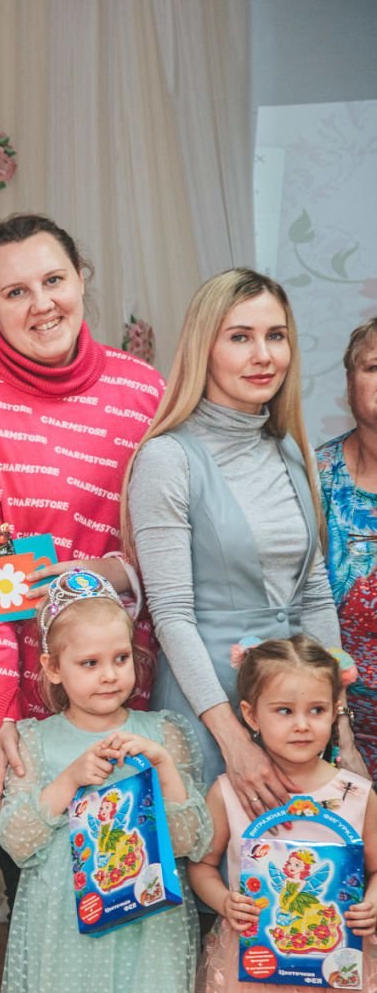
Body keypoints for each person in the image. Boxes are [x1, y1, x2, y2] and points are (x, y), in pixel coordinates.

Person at [0, 213, 162, 868]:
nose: (42, 304)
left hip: (135, 705)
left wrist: (111, 570)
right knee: (43, 907)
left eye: (54, 280)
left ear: (81, 279)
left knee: (139, 897)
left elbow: (176, 546)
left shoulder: (145, 391)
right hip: (25, 726)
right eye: (15, 292)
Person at [125, 269, 353, 819]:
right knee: (212, 868)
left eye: (276, 336)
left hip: (294, 718)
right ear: (204, 348)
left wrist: (340, 729)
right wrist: (233, 739)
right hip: (206, 714)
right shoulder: (167, 458)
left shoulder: (292, 451)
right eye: (240, 337)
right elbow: (172, 615)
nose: (263, 356)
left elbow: (314, 597)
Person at [0, 572, 211, 993]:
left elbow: (192, 840)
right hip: (71, 934)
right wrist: (69, 779)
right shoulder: (33, 741)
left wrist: (163, 766)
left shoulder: (164, 732)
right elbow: (15, 841)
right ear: (53, 668)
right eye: (89, 663)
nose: (109, 675)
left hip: (150, 934)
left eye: (120, 658)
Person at [188, 636, 377, 993]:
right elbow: (202, 866)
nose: (302, 725)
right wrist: (223, 900)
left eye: (316, 710)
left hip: (337, 972)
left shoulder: (356, 794)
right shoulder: (229, 792)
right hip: (252, 972)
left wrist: (373, 901)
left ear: (335, 711)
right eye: (284, 711)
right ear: (251, 715)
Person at [316, 317, 377, 776]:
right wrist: (340, 729)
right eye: (374, 367)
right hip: (334, 731)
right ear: (349, 383)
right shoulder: (313, 477)